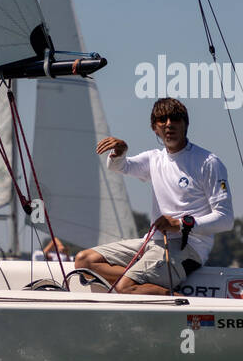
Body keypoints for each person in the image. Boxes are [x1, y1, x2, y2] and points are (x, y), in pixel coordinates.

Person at [74, 98, 232, 294]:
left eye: (174, 119)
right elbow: (120, 166)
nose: (168, 124)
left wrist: (181, 224)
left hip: (189, 248)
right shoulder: (154, 159)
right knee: (84, 261)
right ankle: (146, 281)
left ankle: (181, 303)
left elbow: (226, 220)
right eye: (161, 120)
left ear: (185, 124)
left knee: (126, 287)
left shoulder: (208, 162)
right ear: (154, 128)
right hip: (153, 243)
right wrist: (120, 152)